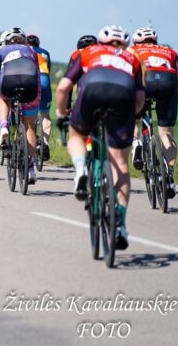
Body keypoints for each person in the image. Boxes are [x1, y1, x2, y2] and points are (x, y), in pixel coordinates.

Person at [55, 25, 144, 250]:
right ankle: (120, 224)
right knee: (120, 164)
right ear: (123, 43)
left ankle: (81, 169)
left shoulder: (87, 53)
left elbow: (64, 86)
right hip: (122, 98)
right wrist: (130, 116)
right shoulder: (131, 58)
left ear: (100, 42)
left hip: (92, 94)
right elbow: (140, 97)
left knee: (76, 134)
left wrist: (61, 113)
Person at [130, 27, 178, 198]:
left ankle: (136, 143)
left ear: (136, 41)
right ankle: (169, 178)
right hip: (168, 83)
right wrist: (169, 96)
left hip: (145, 83)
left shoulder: (132, 51)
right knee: (166, 133)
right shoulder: (170, 51)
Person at [0, 27, 41, 183]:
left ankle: (3, 126)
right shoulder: (31, 51)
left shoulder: (0, 51)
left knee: (2, 97)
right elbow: (37, 73)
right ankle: (30, 168)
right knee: (30, 126)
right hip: (30, 86)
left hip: (8, 84)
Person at [27, 34, 53, 161]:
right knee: (45, 115)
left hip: (31, 82)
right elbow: (49, 69)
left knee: (27, 115)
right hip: (45, 82)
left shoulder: (25, 51)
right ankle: (45, 142)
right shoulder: (45, 53)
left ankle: (31, 140)